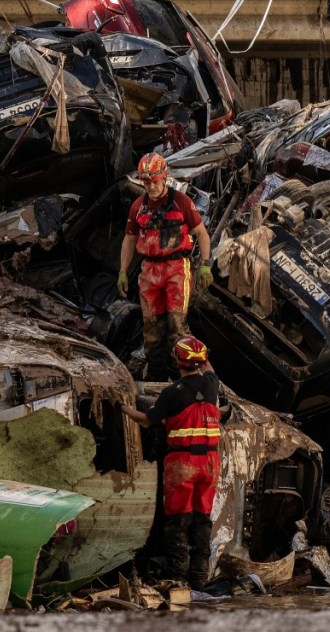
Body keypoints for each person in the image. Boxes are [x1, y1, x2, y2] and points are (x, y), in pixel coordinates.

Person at [121, 335, 221, 590]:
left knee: (177, 521)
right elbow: (207, 367)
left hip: (183, 463)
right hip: (210, 462)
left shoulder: (171, 393)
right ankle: (199, 578)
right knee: (202, 520)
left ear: (177, 361)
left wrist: (122, 407)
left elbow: (146, 420)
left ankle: (178, 577)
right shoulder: (211, 384)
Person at [118, 152, 214, 380]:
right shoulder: (138, 207)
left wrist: (205, 265)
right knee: (151, 331)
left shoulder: (181, 201)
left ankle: (190, 377)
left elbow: (201, 233)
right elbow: (129, 239)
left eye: (154, 181)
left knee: (177, 327)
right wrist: (122, 271)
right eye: (146, 182)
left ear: (164, 177)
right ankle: (158, 380)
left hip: (176, 268)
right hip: (150, 271)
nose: (150, 186)